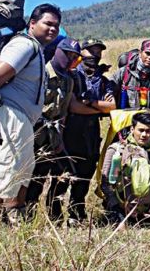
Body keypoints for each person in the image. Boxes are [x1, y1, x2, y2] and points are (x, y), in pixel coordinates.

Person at [0, 3, 59, 223]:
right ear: (32, 24)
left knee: (19, 171)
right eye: (48, 23)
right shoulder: (24, 45)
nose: (53, 29)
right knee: (0, 170)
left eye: (56, 26)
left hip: (19, 119)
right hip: (6, 116)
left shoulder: (36, 49)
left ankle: (12, 223)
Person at [55, 39, 118, 223]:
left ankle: (76, 213)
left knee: (85, 173)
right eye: (91, 51)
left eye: (98, 52)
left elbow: (112, 106)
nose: (95, 56)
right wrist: (98, 107)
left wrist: (89, 103)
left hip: (91, 132)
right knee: (64, 174)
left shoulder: (104, 81)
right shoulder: (72, 76)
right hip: (70, 131)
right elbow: (74, 107)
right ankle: (55, 215)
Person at [25, 37, 84, 220]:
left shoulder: (69, 80)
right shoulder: (40, 74)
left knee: (64, 174)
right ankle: (27, 217)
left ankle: (55, 217)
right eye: (67, 53)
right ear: (57, 51)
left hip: (55, 136)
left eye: (74, 56)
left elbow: (63, 112)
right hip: (34, 134)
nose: (70, 58)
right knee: (35, 179)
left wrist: (59, 139)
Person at [100, 111, 150, 226]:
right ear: (132, 129)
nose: (144, 135)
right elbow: (106, 184)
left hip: (147, 207)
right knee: (121, 228)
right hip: (121, 206)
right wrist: (120, 204)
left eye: (148, 131)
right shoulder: (116, 150)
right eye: (141, 130)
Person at [110, 39, 150, 117]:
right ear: (140, 53)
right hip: (126, 121)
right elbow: (109, 88)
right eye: (148, 53)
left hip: (148, 123)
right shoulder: (124, 72)